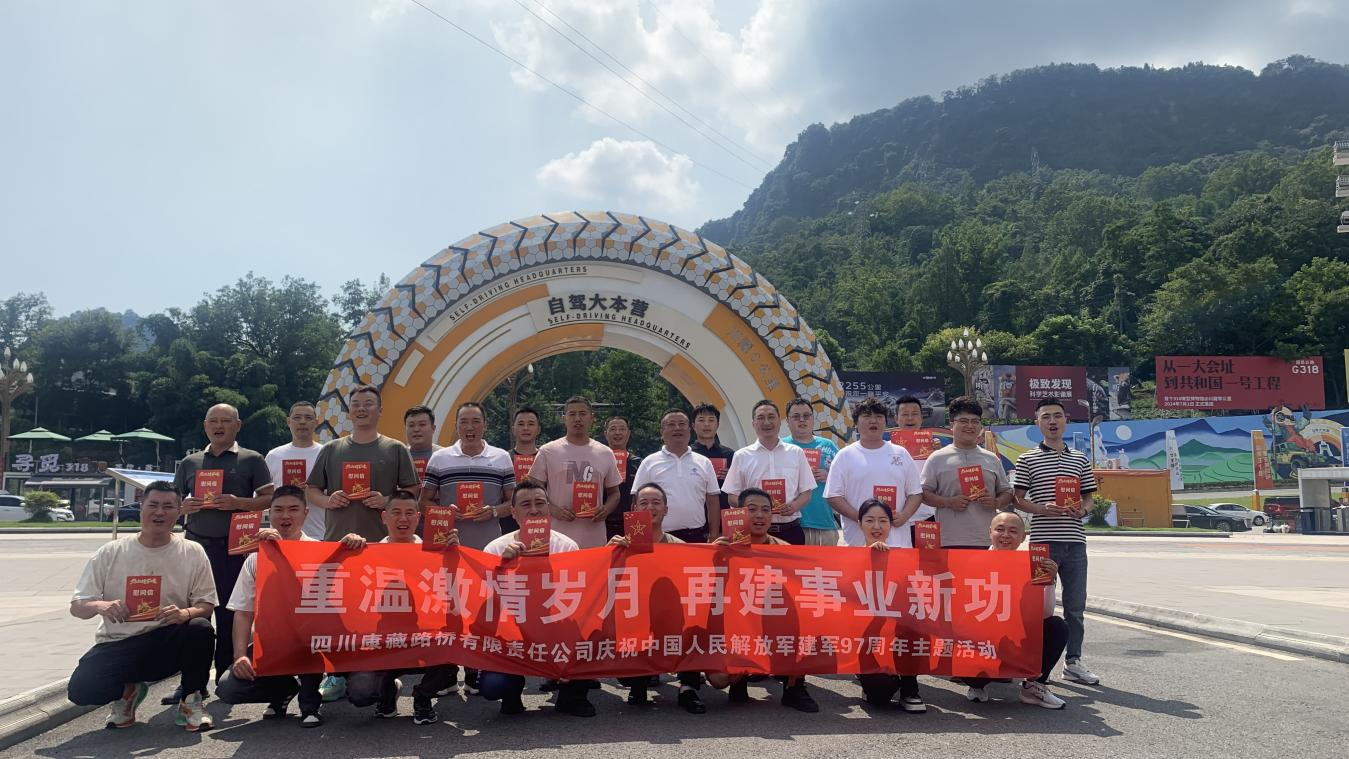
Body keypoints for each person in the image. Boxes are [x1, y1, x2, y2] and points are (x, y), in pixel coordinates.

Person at [67, 481, 217, 732]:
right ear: (141, 508)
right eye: (153, 505)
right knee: (81, 690)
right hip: (119, 643)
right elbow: (77, 606)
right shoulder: (111, 552)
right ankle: (128, 692)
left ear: (179, 511)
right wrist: (100, 605)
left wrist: (185, 613)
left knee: (200, 628)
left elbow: (206, 604)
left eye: (168, 506)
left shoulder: (192, 552)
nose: (159, 512)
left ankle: (191, 700)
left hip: (166, 640)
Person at [306, 384, 420, 701]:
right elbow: (311, 490)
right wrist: (328, 500)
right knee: (339, 614)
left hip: (384, 548)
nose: (361, 409)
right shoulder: (332, 449)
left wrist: (387, 500)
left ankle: (382, 672)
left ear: (380, 410)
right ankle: (336, 675)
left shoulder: (395, 449)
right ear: (349, 410)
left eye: (368, 403)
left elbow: (412, 491)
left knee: (381, 612)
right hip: (339, 545)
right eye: (356, 404)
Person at [824, 396, 926, 712]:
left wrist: (903, 515)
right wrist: (863, 518)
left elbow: (916, 493)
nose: (873, 421)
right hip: (859, 551)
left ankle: (910, 686)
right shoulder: (846, 455)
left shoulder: (900, 454)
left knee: (903, 618)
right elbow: (833, 496)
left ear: (886, 422)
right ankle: (868, 669)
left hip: (899, 551)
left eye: (878, 416)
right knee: (864, 618)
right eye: (866, 416)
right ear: (857, 423)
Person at [172, 403, 273, 698]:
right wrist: (183, 507)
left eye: (225, 421)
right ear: (205, 426)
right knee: (195, 617)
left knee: (230, 614)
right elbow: (173, 503)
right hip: (196, 547)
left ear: (237, 425)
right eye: (213, 421)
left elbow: (269, 498)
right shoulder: (190, 462)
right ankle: (192, 683)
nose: (219, 426)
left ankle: (229, 677)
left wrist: (239, 503)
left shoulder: (252, 459)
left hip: (235, 549)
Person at [419, 401, 514, 696]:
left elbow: (512, 501)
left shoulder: (501, 458)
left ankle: (475, 670)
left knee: (482, 609)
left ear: (485, 424)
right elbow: (424, 501)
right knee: (449, 609)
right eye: (464, 422)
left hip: (488, 547)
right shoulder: (440, 459)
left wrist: (493, 511)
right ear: (456, 426)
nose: (470, 427)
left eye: (475, 421)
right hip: (449, 546)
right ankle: (447, 672)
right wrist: (445, 513)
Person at [339, 491, 459, 724]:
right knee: (360, 692)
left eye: (409, 513)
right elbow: (340, 590)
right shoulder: (366, 553)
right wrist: (345, 551)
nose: (403, 519)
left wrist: (454, 556)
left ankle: (422, 696)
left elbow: (458, 595)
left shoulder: (436, 551)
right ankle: (388, 690)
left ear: (418, 518)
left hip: (424, 641)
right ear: (384, 517)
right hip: (384, 644)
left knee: (451, 656)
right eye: (396, 513)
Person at [215, 486, 326, 726]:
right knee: (228, 688)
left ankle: (310, 702)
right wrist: (240, 656)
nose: (285, 516)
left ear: (306, 513)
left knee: (310, 639)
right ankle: (284, 690)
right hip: (271, 643)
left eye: (293, 509)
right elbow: (243, 612)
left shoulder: (321, 552)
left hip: (312, 642)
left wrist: (353, 544)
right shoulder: (256, 557)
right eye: (278, 510)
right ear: (270, 513)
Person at [478, 482, 591, 717]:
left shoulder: (566, 546)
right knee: (493, 686)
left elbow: (580, 601)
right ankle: (512, 693)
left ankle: (571, 696)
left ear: (548, 509)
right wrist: (503, 568)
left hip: (556, 628)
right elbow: (484, 606)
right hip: (512, 634)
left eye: (540, 503)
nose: (534, 510)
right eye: (525, 505)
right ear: (513, 512)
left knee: (588, 637)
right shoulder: (495, 549)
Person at [1012, 397, 1101, 686]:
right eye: (1046, 417)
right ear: (1037, 423)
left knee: (1075, 606)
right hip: (1042, 544)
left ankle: (1073, 662)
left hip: (1075, 542)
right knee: (1039, 606)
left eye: (1057, 416)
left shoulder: (1080, 459)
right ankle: (1036, 664)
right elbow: (1017, 499)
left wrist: (1083, 510)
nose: (1052, 421)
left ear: (1066, 421)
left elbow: (1089, 498)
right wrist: (1042, 508)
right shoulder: (1027, 459)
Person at [705, 489, 817, 712]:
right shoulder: (724, 548)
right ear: (740, 513)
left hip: (775, 624)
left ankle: (794, 686)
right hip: (738, 627)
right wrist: (712, 557)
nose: (759, 515)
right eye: (752, 509)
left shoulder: (784, 551)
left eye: (765, 510)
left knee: (807, 622)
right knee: (718, 678)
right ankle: (739, 679)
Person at [606, 482, 706, 714]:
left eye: (656, 503)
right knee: (627, 671)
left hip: (673, 618)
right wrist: (608, 553)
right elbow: (602, 584)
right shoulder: (621, 545)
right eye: (644, 503)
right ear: (634, 509)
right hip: (636, 619)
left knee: (693, 623)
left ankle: (688, 687)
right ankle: (639, 683)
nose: (650, 507)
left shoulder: (680, 547)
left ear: (666, 509)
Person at [962, 512, 1069, 709]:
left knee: (1057, 626)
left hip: (1018, 639)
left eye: (1012, 531)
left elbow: (1045, 613)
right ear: (990, 532)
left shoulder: (1033, 564)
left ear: (1023, 537)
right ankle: (976, 686)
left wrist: (1049, 581)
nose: (1005, 535)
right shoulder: (971, 562)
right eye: (1000, 529)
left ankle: (1033, 686)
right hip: (984, 641)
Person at [846, 497, 926, 711]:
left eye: (883, 521)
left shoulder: (904, 558)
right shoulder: (847, 557)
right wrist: (869, 557)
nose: (877, 527)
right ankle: (874, 678)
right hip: (866, 637)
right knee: (880, 695)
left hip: (896, 634)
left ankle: (910, 688)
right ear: (860, 524)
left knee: (914, 626)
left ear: (891, 525)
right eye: (869, 520)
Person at [526, 396, 621, 549]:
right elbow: (532, 490)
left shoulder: (605, 453)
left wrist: (606, 509)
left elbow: (614, 493)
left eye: (582, 414)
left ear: (592, 418)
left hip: (593, 537)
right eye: (572, 414)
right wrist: (552, 509)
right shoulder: (548, 451)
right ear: (564, 418)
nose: (577, 419)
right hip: (557, 538)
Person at [921, 395, 1014, 548]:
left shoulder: (991, 458)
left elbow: (1007, 492)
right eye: (963, 421)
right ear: (952, 424)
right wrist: (948, 502)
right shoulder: (937, 458)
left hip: (987, 541)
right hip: (949, 540)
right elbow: (923, 494)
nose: (970, 426)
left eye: (975, 421)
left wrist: (996, 502)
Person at [720, 400, 815, 545]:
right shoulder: (741, 456)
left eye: (771, 417)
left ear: (779, 421)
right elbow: (731, 496)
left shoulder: (796, 453)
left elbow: (806, 493)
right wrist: (752, 508)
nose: (766, 422)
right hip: (753, 532)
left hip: (790, 530)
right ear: (753, 423)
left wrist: (794, 506)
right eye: (761, 418)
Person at [630, 409, 720, 543]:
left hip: (696, 536)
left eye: (682, 424)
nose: (677, 428)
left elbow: (712, 501)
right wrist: (638, 537)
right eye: (671, 424)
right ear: (662, 432)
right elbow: (636, 502)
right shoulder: (649, 463)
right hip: (660, 537)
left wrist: (714, 535)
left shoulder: (704, 462)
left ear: (690, 430)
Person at [783, 398, 840, 546]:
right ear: (787, 421)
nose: (802, 420)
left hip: (824, 522)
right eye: (796, 416)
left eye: (806, 415)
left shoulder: (828, 446)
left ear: (813, 418)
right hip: (792, 524)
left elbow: (846, 478)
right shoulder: (781, 447)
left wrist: (829, 476)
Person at [264, 401, 325, 539]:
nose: (302, 422)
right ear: (288, 421)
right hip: (280, 535)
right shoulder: (274, 455)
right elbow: (262, 497)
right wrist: (285, 492)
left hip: (319, 533)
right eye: (297, 417)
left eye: (308, 418)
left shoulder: (326, 454)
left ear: (316, 422)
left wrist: (313, 492)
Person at [690, 402, 736, 512]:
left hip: (724, 513)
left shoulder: (730, 454)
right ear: (693, 425)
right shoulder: (688, 454)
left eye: (711, 420)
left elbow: (739, 487)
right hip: (696, 514)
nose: (706, 424)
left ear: (718, 425)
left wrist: (731, 478)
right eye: (701, 420)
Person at [602, 415, 642, 539]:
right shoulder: (597, 461)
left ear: (628, 433)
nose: (617, 433)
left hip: (632, 523)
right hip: (603, 521)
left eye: (622, 429)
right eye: (613, 429)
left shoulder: (639, 463)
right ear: (605, 433)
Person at [504, 406, 542, 534]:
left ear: (538, 429)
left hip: (539, 523)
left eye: (530, 424)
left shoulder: (546, 458)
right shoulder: (503, 458)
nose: (526, 428)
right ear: (513, 429)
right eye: (521, 424)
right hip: (508, 523)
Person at [403, 404, 442, 479]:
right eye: (411, 425)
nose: (416, 429)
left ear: (433, 428)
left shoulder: (445, 456)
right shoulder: (399, 458)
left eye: (422, 424)